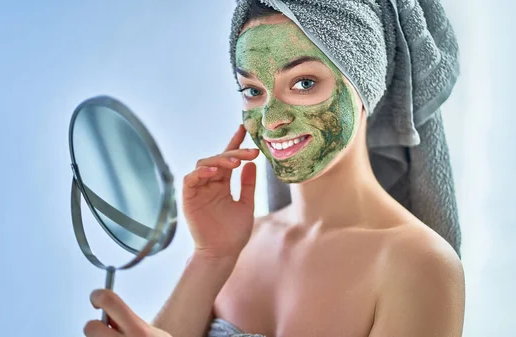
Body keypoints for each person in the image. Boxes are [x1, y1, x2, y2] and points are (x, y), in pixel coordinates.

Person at [83, 1, 465, 336]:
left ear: (367, 85)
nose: (271, 120)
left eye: (303, 82)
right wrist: (211, 257)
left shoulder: (419, 266)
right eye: (253, 90)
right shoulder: (235, 245)